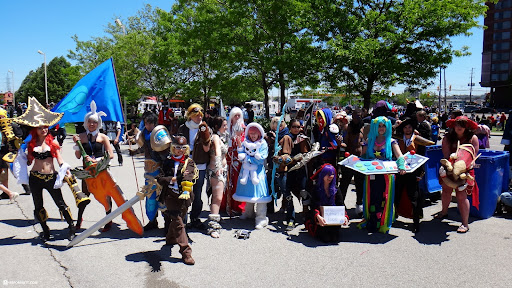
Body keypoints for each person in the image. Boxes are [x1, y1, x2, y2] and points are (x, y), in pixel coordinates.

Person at [13, 97, 74, 241]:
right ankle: (45, 230)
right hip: (35, 178)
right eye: (41, 127)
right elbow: (28, 162)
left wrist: (66, 170)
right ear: (36, 129)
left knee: (61, 204)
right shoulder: (30, 144)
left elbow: (59, 160)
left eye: (46, 127)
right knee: (38, 207)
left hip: (51, 177)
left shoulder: (52, 142)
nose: (44, 129)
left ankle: (71, 228)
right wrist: (20, 156)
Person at [72, 101, 115, 231]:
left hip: (101, 170)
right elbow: (78, 156)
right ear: (86, 122)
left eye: (94, 122)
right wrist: (78, 145)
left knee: (106, 195)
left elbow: (111, 155)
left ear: (98, 123)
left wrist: (97, 160)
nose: (92, 124)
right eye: (90, 121)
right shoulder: (81, 137)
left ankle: (109, 220)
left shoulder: (103, 137)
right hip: (87, 172)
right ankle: (79, 220)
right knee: (84, 196)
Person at [359, 116, 406, 233]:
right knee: (372, 196)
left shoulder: (391, 141)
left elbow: (400, 156)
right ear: (375, 127)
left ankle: (383, 220)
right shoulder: (370, 141)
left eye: (383, 126)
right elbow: (363, 157)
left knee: (384, 197)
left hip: (386, 176)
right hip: (371, 174)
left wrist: (401, 166)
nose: (381, 128)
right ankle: (372, 219)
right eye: (379, 126)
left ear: (388, 127)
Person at [157, 135, 198, 265]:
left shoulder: (189, 162)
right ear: (172, 148)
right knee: (179, 222)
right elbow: (160, 178)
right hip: (170, 195)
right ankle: (186, 253)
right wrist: (174, 179)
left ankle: (170, 238)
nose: (179, 150)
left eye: (182, 148)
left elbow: (190, 176)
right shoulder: (167, 161)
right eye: (177, 147)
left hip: (183, 196)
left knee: (178, 219)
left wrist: (184, 179)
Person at [434, 116, 479, 233]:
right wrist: (451, 168)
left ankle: (465, 223)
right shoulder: (448, 138)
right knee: (446, 191)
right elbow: (446, 155)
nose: (459, 127)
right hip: (450, 166)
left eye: (462, 125)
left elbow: (473, 156)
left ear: (467, 127)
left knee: (461, 196)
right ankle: (444, 212)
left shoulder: (472, 138)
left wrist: (465, 167)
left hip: (466, 170)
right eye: (457, 125)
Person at [178, 104, 211, 229]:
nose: (199, 118)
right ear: (190, 116)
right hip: (185, 163)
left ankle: (195, 217)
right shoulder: (183, 128)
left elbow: (207, 149)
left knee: (197, 192)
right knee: (185, 191)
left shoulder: (205, 128)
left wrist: (205, 137)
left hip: (200, 164)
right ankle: (183, 219)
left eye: (200, 116)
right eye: (196, 116)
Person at [233, 122, 271, 229]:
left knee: (259, 194)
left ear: (259, 133)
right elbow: (240, 152)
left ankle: (261, 217)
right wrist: (239, 147)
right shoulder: (245, 142)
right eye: (251, 133)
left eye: (255, 133)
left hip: (258, 172)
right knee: (248, 192)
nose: (253, 135)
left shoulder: (262, 143)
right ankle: (248, 212)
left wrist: (246, 158)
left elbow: (261, 159)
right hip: (246, 171)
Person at [395, 118, 425, 233]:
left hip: (413, 173)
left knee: (414, 198)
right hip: (399, 172)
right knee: (396, 195)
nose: (407, 129)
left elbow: (422, 157)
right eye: (405, 127)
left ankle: (416, 222)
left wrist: (420, 174)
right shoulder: (397, 140)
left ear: (413, 129)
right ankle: (394, 217)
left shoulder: (417, 140)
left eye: (409, 127)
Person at [305, 164, 348, 243]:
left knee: (334, 238)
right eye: (328, 174)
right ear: (322, 175)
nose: (330, 176)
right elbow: (313, 205)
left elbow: (341, 204)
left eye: (332, 174)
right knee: (326, 238)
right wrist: (318, 216)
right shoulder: (316, 189)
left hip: (333, 219)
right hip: (320, 219)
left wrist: (344, 217)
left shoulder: (336, 189)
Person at [338, 109, 365, 216]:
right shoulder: (347, 128)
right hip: (349, 159)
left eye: (359, 116)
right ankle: (340, 205)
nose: (357, 118)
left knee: (360, 184)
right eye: (355, 116)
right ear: (352, 117)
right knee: (344, 183)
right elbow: (345, 143)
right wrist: (341, 144)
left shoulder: (364, 128)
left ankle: (359, 205)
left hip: (361, 160)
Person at [285, 119, 311, 230]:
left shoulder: (303, 139)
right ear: (290, 127)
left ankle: (306, 217)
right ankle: (291, 219)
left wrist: (301, 156)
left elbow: (306, 154)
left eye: (298, 127)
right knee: (288, 194)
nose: (297, 129)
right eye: (294, 127)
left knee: (304, 192)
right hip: (289, 169)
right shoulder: (287, 138)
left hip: (300, 169)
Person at [206, 116, 228, 238]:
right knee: (217, 197)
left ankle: (215, 217)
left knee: (218, 197)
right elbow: (218, 152)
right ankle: (213, 225)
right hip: (216, 170)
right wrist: (219, 165)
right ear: (217, 126)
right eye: (223, 125)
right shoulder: (215, 137)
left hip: (221, 170)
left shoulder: (220, 137)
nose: (226, 127)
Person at [223, 107, 246, 216]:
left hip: (238, 159)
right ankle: (227, 205)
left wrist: (238, 141)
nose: (237, 117)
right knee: (227, 182)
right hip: (228, 158)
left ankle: (238, 206)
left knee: (237, 181)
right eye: (235, 115)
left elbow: (244, 143)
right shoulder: (227, 127)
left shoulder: (243, 128)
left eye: (238, 115)